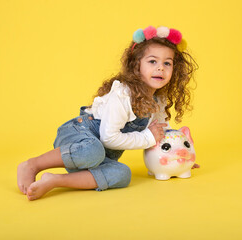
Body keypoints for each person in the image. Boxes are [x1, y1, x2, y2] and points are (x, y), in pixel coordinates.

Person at [17, 26, 199, 200]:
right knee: (92, 150)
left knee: (122, 175)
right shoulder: (122, 95)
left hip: (97, 156)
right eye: (153, 61)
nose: (161, 68)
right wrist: (147, 137)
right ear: (137, 65)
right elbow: (109, 138)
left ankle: (54, 180)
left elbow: (161, 132)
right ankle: (32, 165)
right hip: (77, 140)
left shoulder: (159, 100)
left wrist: (178, 157)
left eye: (167, 63)